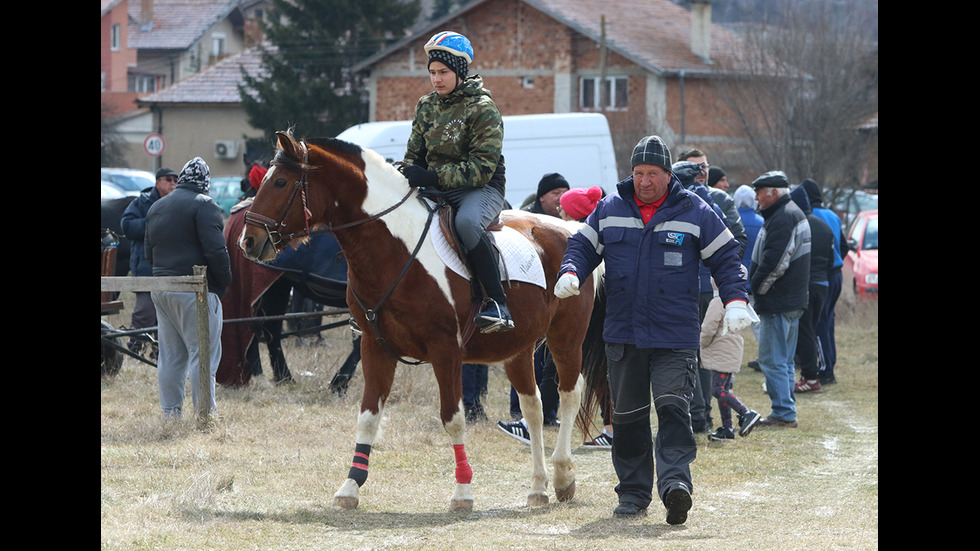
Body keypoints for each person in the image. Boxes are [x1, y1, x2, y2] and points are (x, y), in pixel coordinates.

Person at [555, 135, 752, 524]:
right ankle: (632, 493)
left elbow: (727, 257)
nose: (644, 181)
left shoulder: (694, 209)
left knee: (673, 409)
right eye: (638, 173)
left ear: (667, 175)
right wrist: (571, 270)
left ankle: (676, 486)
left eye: (653, 173)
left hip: (674, 335)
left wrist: (735, 299)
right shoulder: (610, 208)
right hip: (623, 334)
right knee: (627, 417)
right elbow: (581, 245)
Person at [397, 30, 512, 334]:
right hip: (435, 187)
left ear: (460, 71)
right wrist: (408, 172)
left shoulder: (483, 108)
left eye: (443, 72)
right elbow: (414, 155)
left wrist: (431, 176)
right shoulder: (426, 106)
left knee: (466, 224)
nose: (436, 79)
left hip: (480, 189)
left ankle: (498, 303)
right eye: (432, 72)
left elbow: (482, 168)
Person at [145, 157, 232, 420]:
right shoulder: (205, 205)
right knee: (202, 353)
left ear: (182, 179)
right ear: (205, 183)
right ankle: (205, 414)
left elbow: (149, 253)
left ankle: (171, 414)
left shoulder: (157, 207)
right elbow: (216, 251)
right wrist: (225, 281)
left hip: (161, 287)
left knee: (170, 356)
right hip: (194, 289)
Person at [748, 171, 810, 429]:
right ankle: (786, 409)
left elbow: (775, 264)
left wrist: (754, 290)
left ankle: (783, 413)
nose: (756, 198)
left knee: (772, 360)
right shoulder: (789, 213)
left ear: (773, 193)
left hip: (777, 302)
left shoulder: (783, 218)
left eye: (760, 192)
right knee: (782, 360)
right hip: (789, 301)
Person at [556, 185, 612, 447]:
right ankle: (611, 427)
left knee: (602, 372)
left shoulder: (579, 237)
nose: (559, 212)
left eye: (563, 209)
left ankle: (611, 429)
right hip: (600, 316)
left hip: (598, 319)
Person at [120, 167, 179, 356]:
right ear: (157, 182)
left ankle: (159, 350)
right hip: (146, 266)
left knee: (167, 313)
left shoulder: (177, 204)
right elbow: (127, 226)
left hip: (170, 267)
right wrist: (153, 222)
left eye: (175, 180)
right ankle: (135, 346)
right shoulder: (142, 202)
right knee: (144, 312)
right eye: (168, 179)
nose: (172, 183)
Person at [799, 179, 847, 386]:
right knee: (828, 322)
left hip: (821, 274)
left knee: (816, 324)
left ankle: (825, 370)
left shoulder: (810, 218)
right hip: (836, 273)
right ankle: (830, 363)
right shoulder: (832, 215)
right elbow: (844, 246)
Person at [700, 278, 761, 441]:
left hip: (721, 351)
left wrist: (701, 344)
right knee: (724, 389)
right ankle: (727, 428)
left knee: (717, 389)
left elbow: (708, 328)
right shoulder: (736, 302)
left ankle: (746, 413)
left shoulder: (718, 301)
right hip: (731, 350)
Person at [790, 185, 835, 393]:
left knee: (804, 331)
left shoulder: (798, 225)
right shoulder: (824, 226)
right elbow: (831, 261)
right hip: (823, 284)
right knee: (814, 329)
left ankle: (810, 376)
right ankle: (811, 373)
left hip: (804, 284)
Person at [734, 184, 765, 365]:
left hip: (734, 280)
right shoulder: (761, 223)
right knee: (759, 324)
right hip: (754, 280)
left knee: (729, 321)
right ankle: (764, 357)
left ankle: (727, 359)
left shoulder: (731, 222)